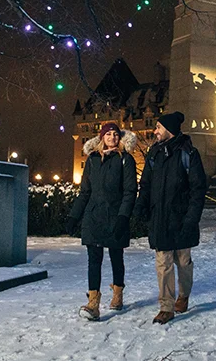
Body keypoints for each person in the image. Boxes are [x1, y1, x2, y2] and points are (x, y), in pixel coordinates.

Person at [136, 111, 208, 324]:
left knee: (183, 261)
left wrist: (191, 218)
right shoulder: (154, 153)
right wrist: (141, 206)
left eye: (158, 127)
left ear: (169, 130)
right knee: (163, 262)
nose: (155, 131)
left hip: (182, 217)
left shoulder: (189, 154)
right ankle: (166, 306)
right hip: (160, 217)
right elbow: (146, 184)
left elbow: (198, 189)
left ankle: (183, 295)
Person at [66, 122, 138, 321]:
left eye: (116, 134)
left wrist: (124, 216)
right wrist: (74, 215)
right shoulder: (92, 160)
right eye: (108, 134)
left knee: (116, 256)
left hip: (115, 215)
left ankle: (117, 293)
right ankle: (93, 303)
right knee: (94, 260)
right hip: (94, 216)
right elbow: (85, 192)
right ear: (102, 138)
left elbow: (130, 191)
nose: (112, 137)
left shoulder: (126, 160)